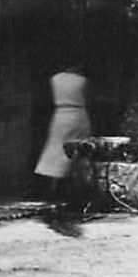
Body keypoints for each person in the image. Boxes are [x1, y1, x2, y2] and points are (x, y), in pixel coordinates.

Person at [33, 61, 92, 199]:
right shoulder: (82, 81)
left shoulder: (56, 79)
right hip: (77, 114)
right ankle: (66, 185)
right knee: (76, 149)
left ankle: (51, 184)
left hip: (61, 114)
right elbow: (87, 97)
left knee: (55, 148)